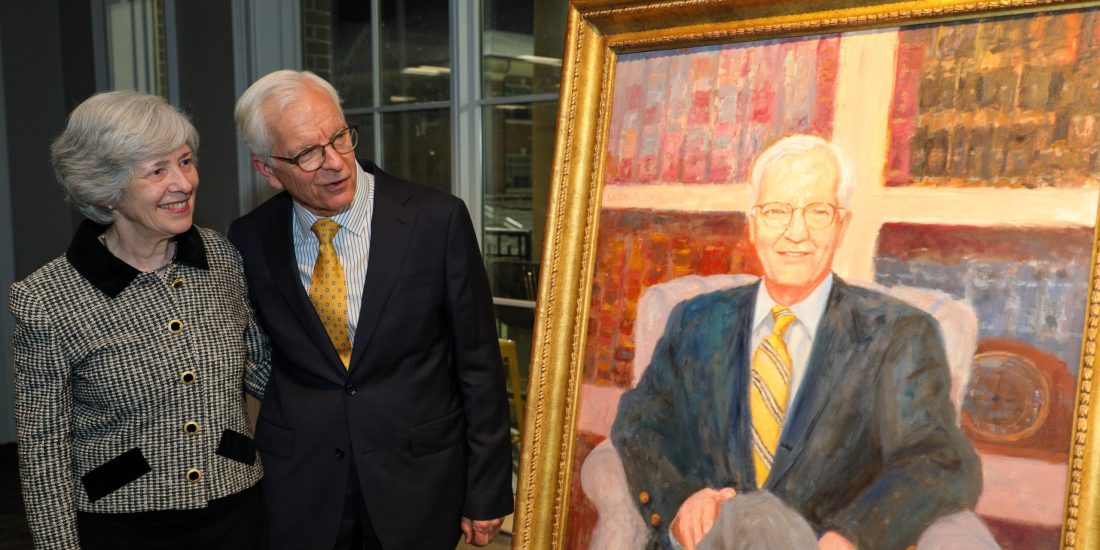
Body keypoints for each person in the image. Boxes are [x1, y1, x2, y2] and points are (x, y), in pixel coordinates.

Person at [610, 134, 981, 550]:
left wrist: (855, 536)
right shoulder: (697, 322)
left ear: (842, 225)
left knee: (761, 517)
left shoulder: (899, 334)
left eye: (818, 211)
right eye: (776, 212)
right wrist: (681, 499)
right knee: (749, 516)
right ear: (752, 226)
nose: (796, 232)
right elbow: (641, 423)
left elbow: (937, 459)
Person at [227, 70, 514, 549]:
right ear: (268, 169)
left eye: (339, 137)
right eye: (307, 153)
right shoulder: (250, 238)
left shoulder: (435, 220)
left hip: (418, 480)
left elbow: (479, 365)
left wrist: (486, 488)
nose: (335, 162)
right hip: (301, 486)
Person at [11, 91, 271, 550]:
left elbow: (264, 370)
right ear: (105, 191)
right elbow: (43, 450)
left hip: (237, 512)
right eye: (157, 171)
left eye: (186, 161)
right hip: (123, 528)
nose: (184, 182)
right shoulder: (45, 299)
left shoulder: (223, 259)